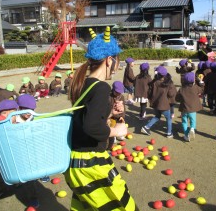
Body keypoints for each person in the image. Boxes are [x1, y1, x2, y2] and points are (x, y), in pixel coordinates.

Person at [66, 26, 138, 211]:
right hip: (92, 164)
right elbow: (91, 126)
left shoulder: (82, 83)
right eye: (117, 62)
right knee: (125, 207)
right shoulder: (101, 87)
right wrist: (116, 130)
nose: (117, 67)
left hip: (76, 163)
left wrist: (110, 113)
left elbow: (84, 118)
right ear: (109, 60)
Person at [0, 99, 18, 201]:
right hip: (2, 158)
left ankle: (33, 196)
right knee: (2, 175)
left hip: (18, 156)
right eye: (4, 113)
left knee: (25, 179)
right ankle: (0, 189)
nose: (8, 115)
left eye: (12, 112)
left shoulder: (20, 125)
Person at [16, 94, 41, 207]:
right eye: (25, 109)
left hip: (30, 151)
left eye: (31, 109)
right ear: (18, 108)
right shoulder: (12, 120)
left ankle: (33, 198)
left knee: (29, 179)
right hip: (17, 151)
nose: (29, 112)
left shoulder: (33, 118)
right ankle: (0, 188)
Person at [141, 66, 177, 138]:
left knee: (157, 116)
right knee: (169, 118)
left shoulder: (154, 82)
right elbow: (171, 94)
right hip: (164, 105)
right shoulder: (168, 84)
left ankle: (146, 127)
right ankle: (169, 133)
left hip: (155, 104)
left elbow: (149, 92)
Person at [175, 72, 203, 142]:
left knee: (184, 122)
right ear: (193, 80)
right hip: (192, 109)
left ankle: (186, 135)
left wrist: (182, 99)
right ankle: (192, 129)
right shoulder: (195, 87)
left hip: (184, 108)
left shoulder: (182, 89)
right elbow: (202, 90)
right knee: (193, 121)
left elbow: (177, 99)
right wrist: (201, 81)